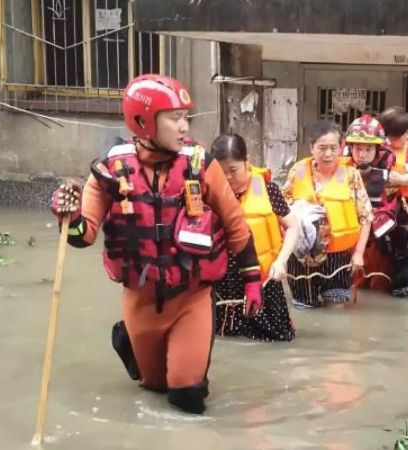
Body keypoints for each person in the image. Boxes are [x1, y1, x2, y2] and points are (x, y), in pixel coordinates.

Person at [49, 74, 263, 415]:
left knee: (187, 396)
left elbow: (236, 225)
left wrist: (253, 280)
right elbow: (82, 237)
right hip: (141, 298)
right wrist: (69, 216)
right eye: (174, 118)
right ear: (144, 121)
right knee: (153, 386)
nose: (184, 126)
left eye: (185, 117)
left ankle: (192, 365)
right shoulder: (110, 172)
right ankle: (129, 342)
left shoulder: (201, 165)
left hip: (191, 298)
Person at [211, 134, 297, 342]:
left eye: (233, 170)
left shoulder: (268, 190)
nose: (228, 177)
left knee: (275, 338)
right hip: (225, 282)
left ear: (247, 161)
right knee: (224, 337)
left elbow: (293, 226)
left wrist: (281, 261)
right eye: (222, 173)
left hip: (265, 278)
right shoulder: (210, 193)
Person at [282, 120, 372, 308]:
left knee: (337, 309)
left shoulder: (351, 176)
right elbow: (281, 211)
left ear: (341, 148)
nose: (328, 154)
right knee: (304, 307)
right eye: (322, 148)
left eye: (333, 148)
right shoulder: (297, 172)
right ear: (312, 148)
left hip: (338, 257)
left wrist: (359, 253)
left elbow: (366, 217)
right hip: (302, 258)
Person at [345, 115, 408, 298]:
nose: (362, 154)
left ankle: (405, 293)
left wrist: (399, 179)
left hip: (385, 216)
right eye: (358, 148)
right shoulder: (337, 161)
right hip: (351, 222)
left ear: (378, 148)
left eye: (368, 149)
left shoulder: (394, 158)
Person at [378, 107, 408, 224]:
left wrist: (400, 179)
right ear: (392, 134)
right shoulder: (372, 147)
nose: (407, 137)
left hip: (393, 206)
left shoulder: (405, 151)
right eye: (405, 133)